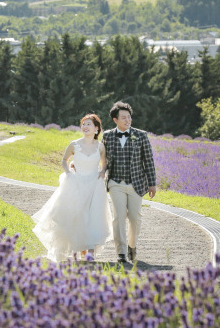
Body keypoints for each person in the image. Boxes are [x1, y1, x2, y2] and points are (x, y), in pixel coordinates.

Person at [32, 114, 112, 262]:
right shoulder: (74, 144)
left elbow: (104, 162)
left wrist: (102, 172)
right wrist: (68, 172)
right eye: (83, 124)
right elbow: (64, 160)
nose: (85, 127)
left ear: (96, 129)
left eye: (89, 124)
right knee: (77, 215)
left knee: (94, 216)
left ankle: (90, 253)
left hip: (95, 184)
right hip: (76, 183)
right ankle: (78, 249)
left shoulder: (100, 146)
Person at [102, 101, 157, 264]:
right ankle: (121, 252)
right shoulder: (108, 136)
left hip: (136, 183)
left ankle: (132, 246)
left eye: (129, 117)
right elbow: (103, 160)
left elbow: (149, 160)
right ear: (115, 120)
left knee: (135, 217)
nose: (128, 120)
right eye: (123, 118)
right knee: (118, 216)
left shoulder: (141, 135)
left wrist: (152, 183)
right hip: (115, 182)